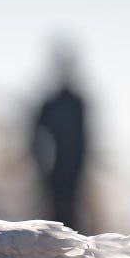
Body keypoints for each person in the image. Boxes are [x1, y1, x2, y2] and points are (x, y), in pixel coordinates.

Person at [29, 44, 90, 229]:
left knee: (69, 212)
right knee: (55, 213)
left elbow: (83, 142)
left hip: (72, 172)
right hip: (55, 173)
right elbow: (34, 139)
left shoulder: (76, 103)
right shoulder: (51, 105)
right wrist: (41, 168)